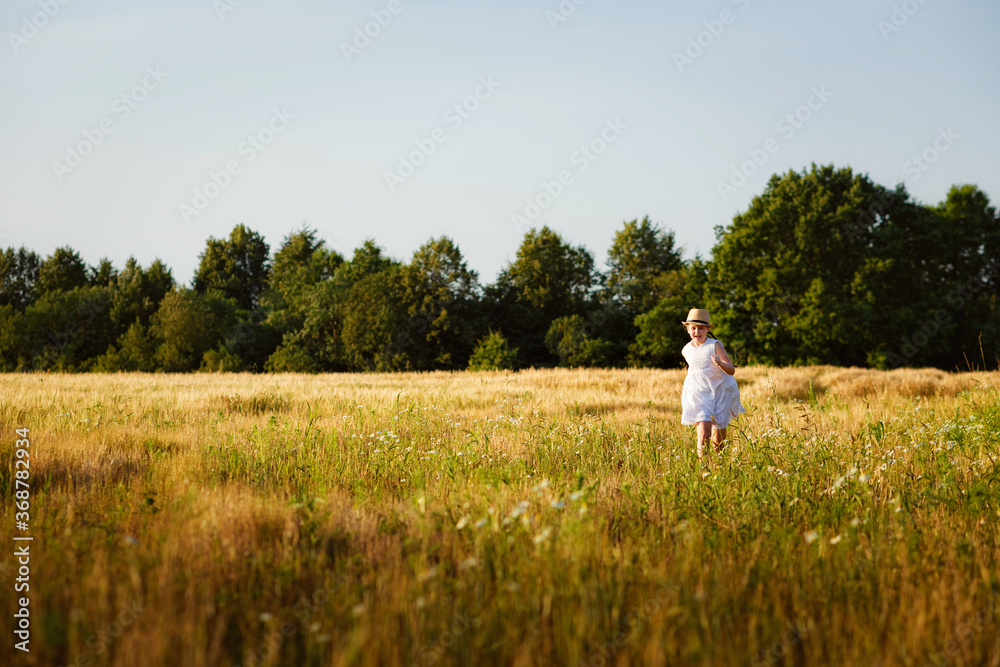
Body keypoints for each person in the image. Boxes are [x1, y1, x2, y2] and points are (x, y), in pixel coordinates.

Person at [679, 308, 745, 461]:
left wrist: (720, 363)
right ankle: (704, 468)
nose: (697, 331)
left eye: (701, 328)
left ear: (707, 329)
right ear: (688, 329)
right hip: (699, 393)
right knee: (703, 433)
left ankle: (719, 465)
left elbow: (731, 370)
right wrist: (686, 392)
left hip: (719, 392)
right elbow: (693, 372)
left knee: (718, 440)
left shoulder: (715, 345)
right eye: (693, 328)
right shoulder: (686, 350)